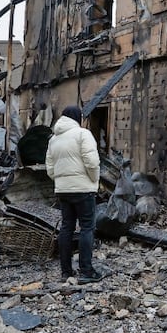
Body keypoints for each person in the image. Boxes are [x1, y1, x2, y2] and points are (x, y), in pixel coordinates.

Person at [46, 105, 105, 282]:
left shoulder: (53, 139)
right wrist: (94, 180)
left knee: (66, 228)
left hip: (63, 190)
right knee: (87, 228)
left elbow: (50, 168)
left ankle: (66, 272)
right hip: (83, 189)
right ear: (77, 118)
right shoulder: (83, 134)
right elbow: (92, 162)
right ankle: (86, 271)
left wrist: (61, 181)